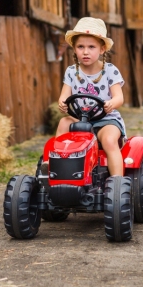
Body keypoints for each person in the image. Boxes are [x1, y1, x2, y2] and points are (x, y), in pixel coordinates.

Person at [41, 17, 126, 177]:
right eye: (81, 47)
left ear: (102, 49)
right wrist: (62, 104)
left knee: (108, 141)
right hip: (80, 119)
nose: (85, 51)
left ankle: (117, 182)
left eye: (91, 47)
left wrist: (111, 103)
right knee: (64, 122)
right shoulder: (71, 71)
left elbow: (119, 98)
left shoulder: (110, 71)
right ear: (74, 49)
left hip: (106, 120)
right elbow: (64, 96)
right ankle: (52, 164)